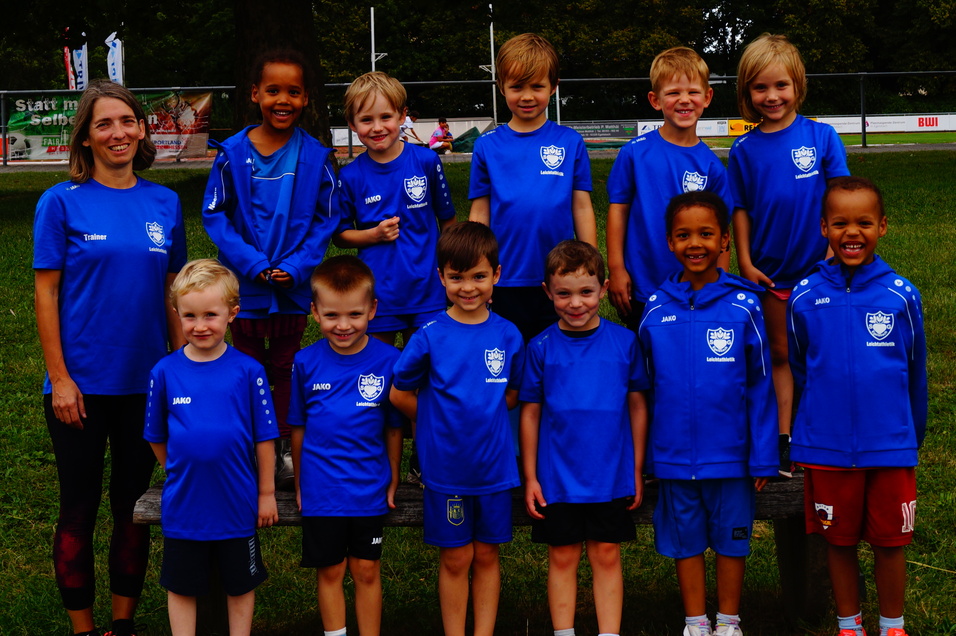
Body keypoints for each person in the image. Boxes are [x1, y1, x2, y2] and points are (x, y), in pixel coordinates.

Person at [33, 79, 187, 636]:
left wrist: (180, 371)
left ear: (142, 129)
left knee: (133, 506)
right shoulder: (60, 202)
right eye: (104, 123)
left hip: (145, 385)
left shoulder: (164, 202)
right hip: (80, 386)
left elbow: (174, 294)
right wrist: (60, 378)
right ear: (87, 136)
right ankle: (83, 627)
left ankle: (122, 625)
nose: (117, 132)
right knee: (78, 506)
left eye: (126, 121)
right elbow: (45, 293)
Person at [788, 177, 927, 636]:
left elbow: (915, 371)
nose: (853, 233)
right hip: (827, 448)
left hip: (888, 446)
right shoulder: (805, 296)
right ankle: (849, 625)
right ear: (824, 227)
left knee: (890, 543)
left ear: (882, 226)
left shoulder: (900, 296)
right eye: (841, 223)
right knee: (838, 540)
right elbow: (803, 367)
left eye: (864, 222)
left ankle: (893, 626)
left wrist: (911, 436)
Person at [637, 192, 778, 636]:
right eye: (683, 235)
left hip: (732, 456)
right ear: (669, 242)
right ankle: (695, 622)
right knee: (687, 541)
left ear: (723, 242)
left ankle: (729, 622)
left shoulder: (744, 305)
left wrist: (763, 454)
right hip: (675, 457)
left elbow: (760, 384)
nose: (694, 243)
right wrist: (647, 459)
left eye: (705, 234)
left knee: (732, 540)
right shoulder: (656, 308)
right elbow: (643, 389)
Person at [202, 49, 340, 489]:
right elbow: (215, 216)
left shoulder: (317, 157)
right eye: (273, 90)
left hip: (292, 286)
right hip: (246, 283)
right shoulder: (231, 153)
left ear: (305, 100)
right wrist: (253, 264)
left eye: (293, 92)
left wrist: (298, 267)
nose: (283, 99)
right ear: (255, 94)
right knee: (242, 365)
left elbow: (327, 219)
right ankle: (245, 446)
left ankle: (282, 450)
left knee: (283, 366)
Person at [390, 222, 524, 636]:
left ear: (497, 276)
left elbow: (513, 394)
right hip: (446, 471)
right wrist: (434, 418)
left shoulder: (508, 334)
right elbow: (398, 393)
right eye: (457, 277)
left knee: (486, 555)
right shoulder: (428, 336)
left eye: (479, 276)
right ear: (441, 278)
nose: (468, 287)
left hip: (494, 470)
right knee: (455, 559)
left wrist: (479, 411)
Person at [727, 33, 850, 476]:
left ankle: (824, 430)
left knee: (822, 351)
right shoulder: (744, 149)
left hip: (820, 272)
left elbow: (840, 198)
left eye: (780, 85)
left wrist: (837, 250)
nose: (771, 96)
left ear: (797, 85)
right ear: (747, 92)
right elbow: (739, 209)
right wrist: (745, 260)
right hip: (769, 275)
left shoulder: (821, 136)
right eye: (760, 87)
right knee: (780, 355)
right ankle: (785, 437)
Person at [520, 240, 649, 636]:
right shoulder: (540, 347)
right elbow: (530, 412)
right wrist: (531, 476)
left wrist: (637, 469)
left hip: (610, 475)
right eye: (563, 294)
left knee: (607, 555)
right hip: (557, 478)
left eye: (586, 292)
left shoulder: (624, 343)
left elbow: (638, 407)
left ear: (605, 288)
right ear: (547, 292)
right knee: (562, 558)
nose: (575, 303)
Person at [144, 259, 278, 636]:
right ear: (177, 314)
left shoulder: (249, 371)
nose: (199, 325)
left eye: (210, 315)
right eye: (189, 316)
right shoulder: (165, 372)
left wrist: (266, 492)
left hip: (237, 501)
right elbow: (155, 435)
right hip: (185, 504)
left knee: (240, 583)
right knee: (182, 585)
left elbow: (264, 437)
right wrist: (178, 468)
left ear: (232, 314)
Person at [289, 256, 403, 636]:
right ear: (315, 312)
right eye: (332, 315)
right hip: (322, 490)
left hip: (368, 487)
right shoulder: (305, 362)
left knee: (366, 569)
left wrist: (393, 475)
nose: (343, 326)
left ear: (372, 309)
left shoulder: (390, 360)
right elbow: (299, 427)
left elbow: (393, 427)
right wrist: (301, 482)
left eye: (354, 314)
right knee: (332, 569)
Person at [469, 32, 597, 342]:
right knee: (509, 362)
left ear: (553, 87)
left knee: (557, 357)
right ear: (501, 87)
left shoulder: (569, 142)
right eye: (516, 87)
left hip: (559, 278)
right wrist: (476, 270)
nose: (527, 96)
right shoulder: (487, 146)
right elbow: (480, 211)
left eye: (537, 86)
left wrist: (591, 262)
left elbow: (581, 205)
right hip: (504, 277)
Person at [606, 46, 732, 331]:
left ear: (707, 97)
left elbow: (723, 232)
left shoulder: (712, 167)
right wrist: (616, 268)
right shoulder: (634, 154)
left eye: (693, 92)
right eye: (674, 92)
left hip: (696, 286)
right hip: (642, 285)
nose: (684, 100)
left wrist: (719, 281)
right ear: (655, 100)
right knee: (644, 365)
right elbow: (618, 212)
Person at [334, 71, 456, 348]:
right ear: (352, 124)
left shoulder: (426, 161)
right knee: (380, 370)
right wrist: (372, 235)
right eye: (366, 120)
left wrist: (450, 274)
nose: (377, 127)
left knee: (426, 368)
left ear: (402, 117)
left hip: (428, 289)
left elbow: (449, 222)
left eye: (385, 117)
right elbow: (339, 235)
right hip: (379, 292)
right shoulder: (350, 176)